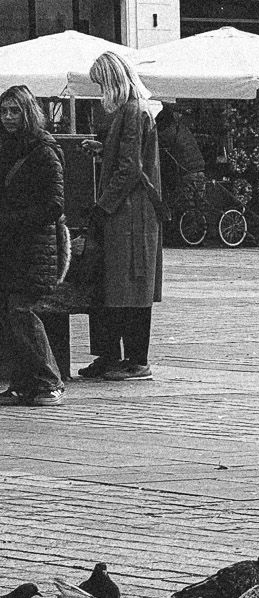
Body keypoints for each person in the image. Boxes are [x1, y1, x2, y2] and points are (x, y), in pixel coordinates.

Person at [81, 51, 162, 382]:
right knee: (121, 283)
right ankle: (117, 355)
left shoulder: (131, 111)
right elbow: (132, 158)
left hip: (131, 212)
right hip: (131, 210)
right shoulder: (135, 109)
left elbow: (130, 168)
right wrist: (103, 149)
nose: (100, 92)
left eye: (101, 84)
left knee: (127, 283)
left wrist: (103, 206)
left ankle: (133, 359)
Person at [0, 83, 65, 405]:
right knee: (9, 314)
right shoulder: (6, 146)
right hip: (10, 247)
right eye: (4, 111)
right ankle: (23, 383)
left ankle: (49, 381)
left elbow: (54, 204)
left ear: (28, 112)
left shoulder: (42, 150)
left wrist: (13, 219)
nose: (8, 117)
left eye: (14, 111)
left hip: (32, 249)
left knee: (21, 310)